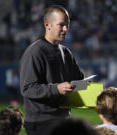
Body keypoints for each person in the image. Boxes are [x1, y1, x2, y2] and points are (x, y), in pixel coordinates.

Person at [19, 5, 84, 135]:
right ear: (47, 25)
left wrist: (82, 83)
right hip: (42, 123)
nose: (66, 29)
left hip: (62, 120)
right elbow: (27, 88)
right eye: (61, 25)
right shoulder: (35, 52)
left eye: (67, 24)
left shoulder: (65, 52)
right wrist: (57, 88)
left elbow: (78, 79)